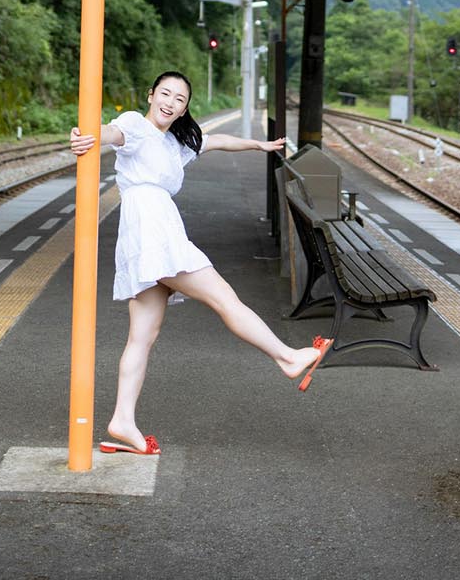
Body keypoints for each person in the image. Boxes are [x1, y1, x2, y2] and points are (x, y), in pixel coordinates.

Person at [70, 70, 332, 456]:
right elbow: (112, 132)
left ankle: (123, 419)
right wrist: (89, 135)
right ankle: (289, 357)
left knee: (142, 336)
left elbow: (218, 141)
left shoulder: (177, 143)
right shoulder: (136, 126)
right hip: (153, 233)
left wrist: (258, 145)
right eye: (165, 94)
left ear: (185, 109)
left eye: (179, 99)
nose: (170, 102)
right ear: (151, 95)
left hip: (147, 234)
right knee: (223, 298)